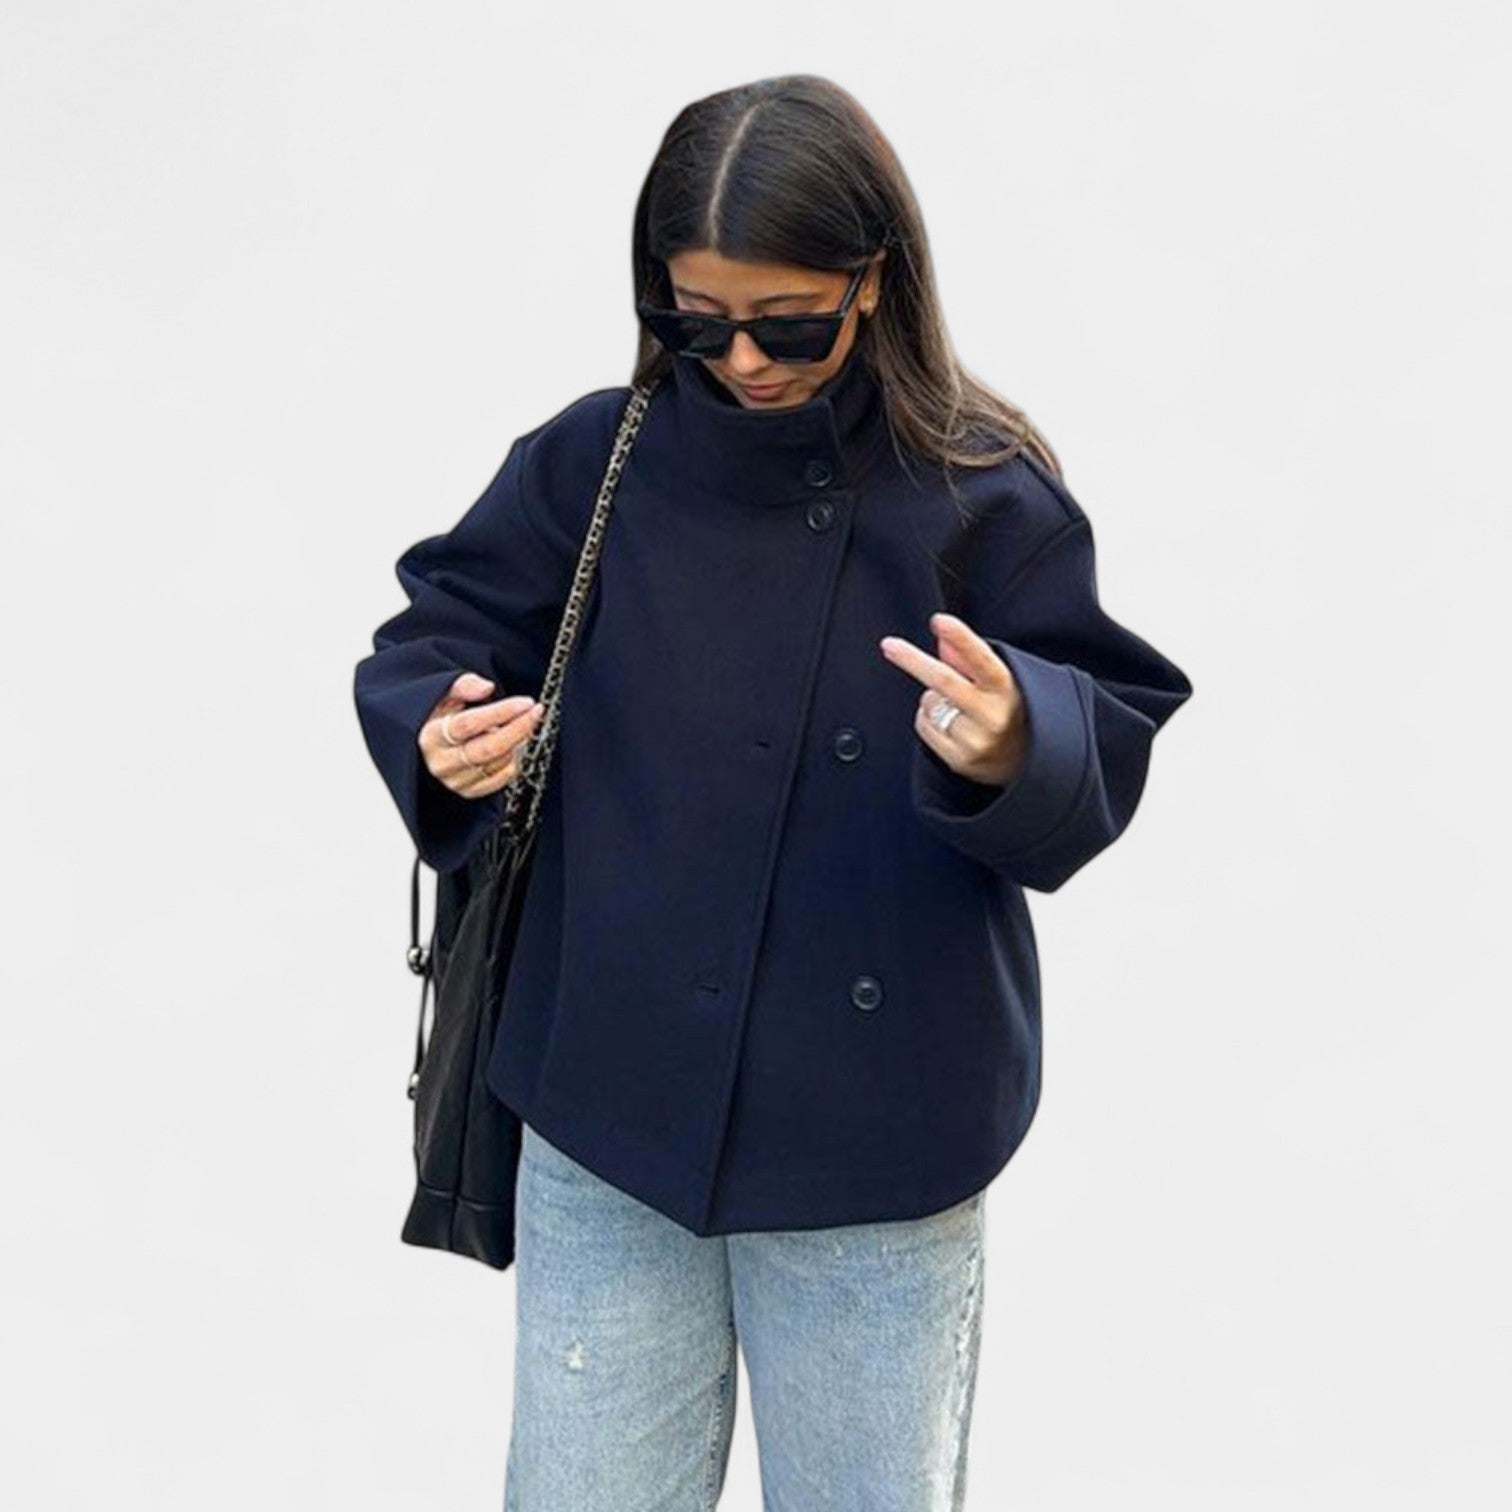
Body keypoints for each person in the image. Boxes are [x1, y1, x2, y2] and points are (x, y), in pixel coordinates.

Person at [353, 73, 1193, 1512]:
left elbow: (1106, 723)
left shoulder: (982, 492)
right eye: (698, 321)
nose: (740, 358)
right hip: (608, 1107)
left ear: (876, 279)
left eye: (789, 323)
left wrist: (1018, 742)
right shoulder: (593, 461)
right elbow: (436, 631)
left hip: (879, 1139)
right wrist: (438, 726)